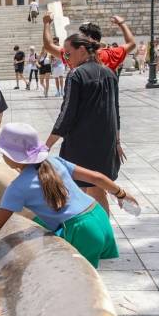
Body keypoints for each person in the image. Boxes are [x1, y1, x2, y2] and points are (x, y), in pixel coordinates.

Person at [0, 123, 132, 275]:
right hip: (98, 216)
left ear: (11, 157)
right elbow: (96, 177)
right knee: (89, 276)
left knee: (79, 285)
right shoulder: (55, 161)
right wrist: (121, 193)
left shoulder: (18, 187)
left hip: (82, 230)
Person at [46, 34, 122, 216]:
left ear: (81, 50)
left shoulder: (76, 75)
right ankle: (103, 232)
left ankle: (96, 234)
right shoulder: (110, 73)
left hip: (82, 144)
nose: (66, 58)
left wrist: (46, 145)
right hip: (105, 142)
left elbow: (67, 114)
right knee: (97, 189)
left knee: (80, 190)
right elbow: (115, 111)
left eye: (68, 54)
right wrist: (117, 143)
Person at [42, 14, 136, 73]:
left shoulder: (74, 55)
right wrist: (122, 23)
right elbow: (131, 44)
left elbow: (48, 46)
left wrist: (47, 23)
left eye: (81, 36)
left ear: (88, 39)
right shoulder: (110, 54)